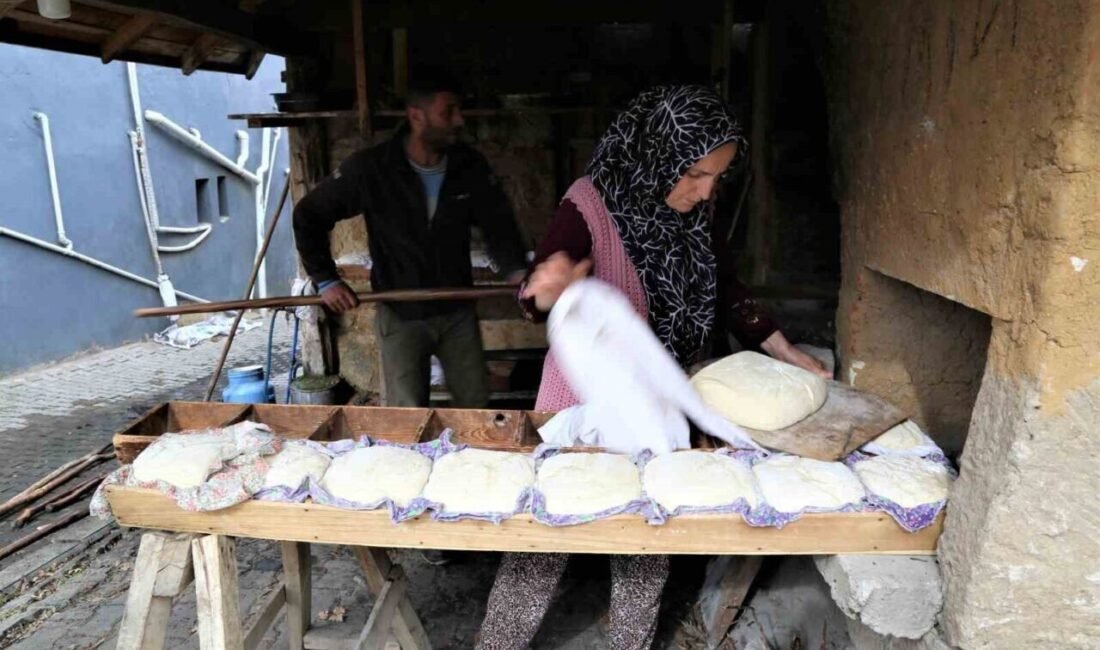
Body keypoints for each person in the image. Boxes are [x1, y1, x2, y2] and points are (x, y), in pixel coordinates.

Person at [476, 85, 829, 650]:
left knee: (644, 536)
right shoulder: (589, 204)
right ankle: (498, 644)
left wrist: (782, 347)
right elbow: (538, 286)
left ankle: (629, 644)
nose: (705, 189)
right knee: (544, 535)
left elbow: (727, 284)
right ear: (657, 153)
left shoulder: (699, 210)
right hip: (582, 403)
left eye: (718, 176)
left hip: (658, 401)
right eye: (693, 173)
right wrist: (547, 286)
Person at [292, 70, 528, 408]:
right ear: (417, 116)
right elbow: (308, 215)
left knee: (477, 409)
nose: (459, 120)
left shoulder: (469, 167)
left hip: (457, 309)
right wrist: (326, 279)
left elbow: (499, 225)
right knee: (406, 415)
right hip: (400, 313)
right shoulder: (373, 168)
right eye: (448, 111)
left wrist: (516, 272)